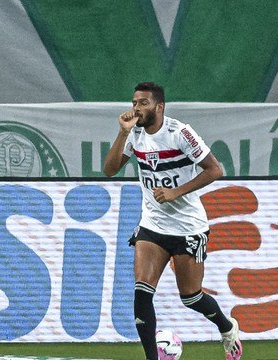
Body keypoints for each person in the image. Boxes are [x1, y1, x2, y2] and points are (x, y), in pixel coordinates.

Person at [103, 82, 242, 360]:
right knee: (142, 291)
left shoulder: (180, 133)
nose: (137, 108)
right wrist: (122, 133)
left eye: (143, 103)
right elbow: (109, 170)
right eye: (134, 102)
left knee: (191, 297)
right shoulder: (135, 134)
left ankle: (227, 328)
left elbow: (214, 169)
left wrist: (175, 192)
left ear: (159, 106)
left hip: (188, 227)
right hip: (153, 225)